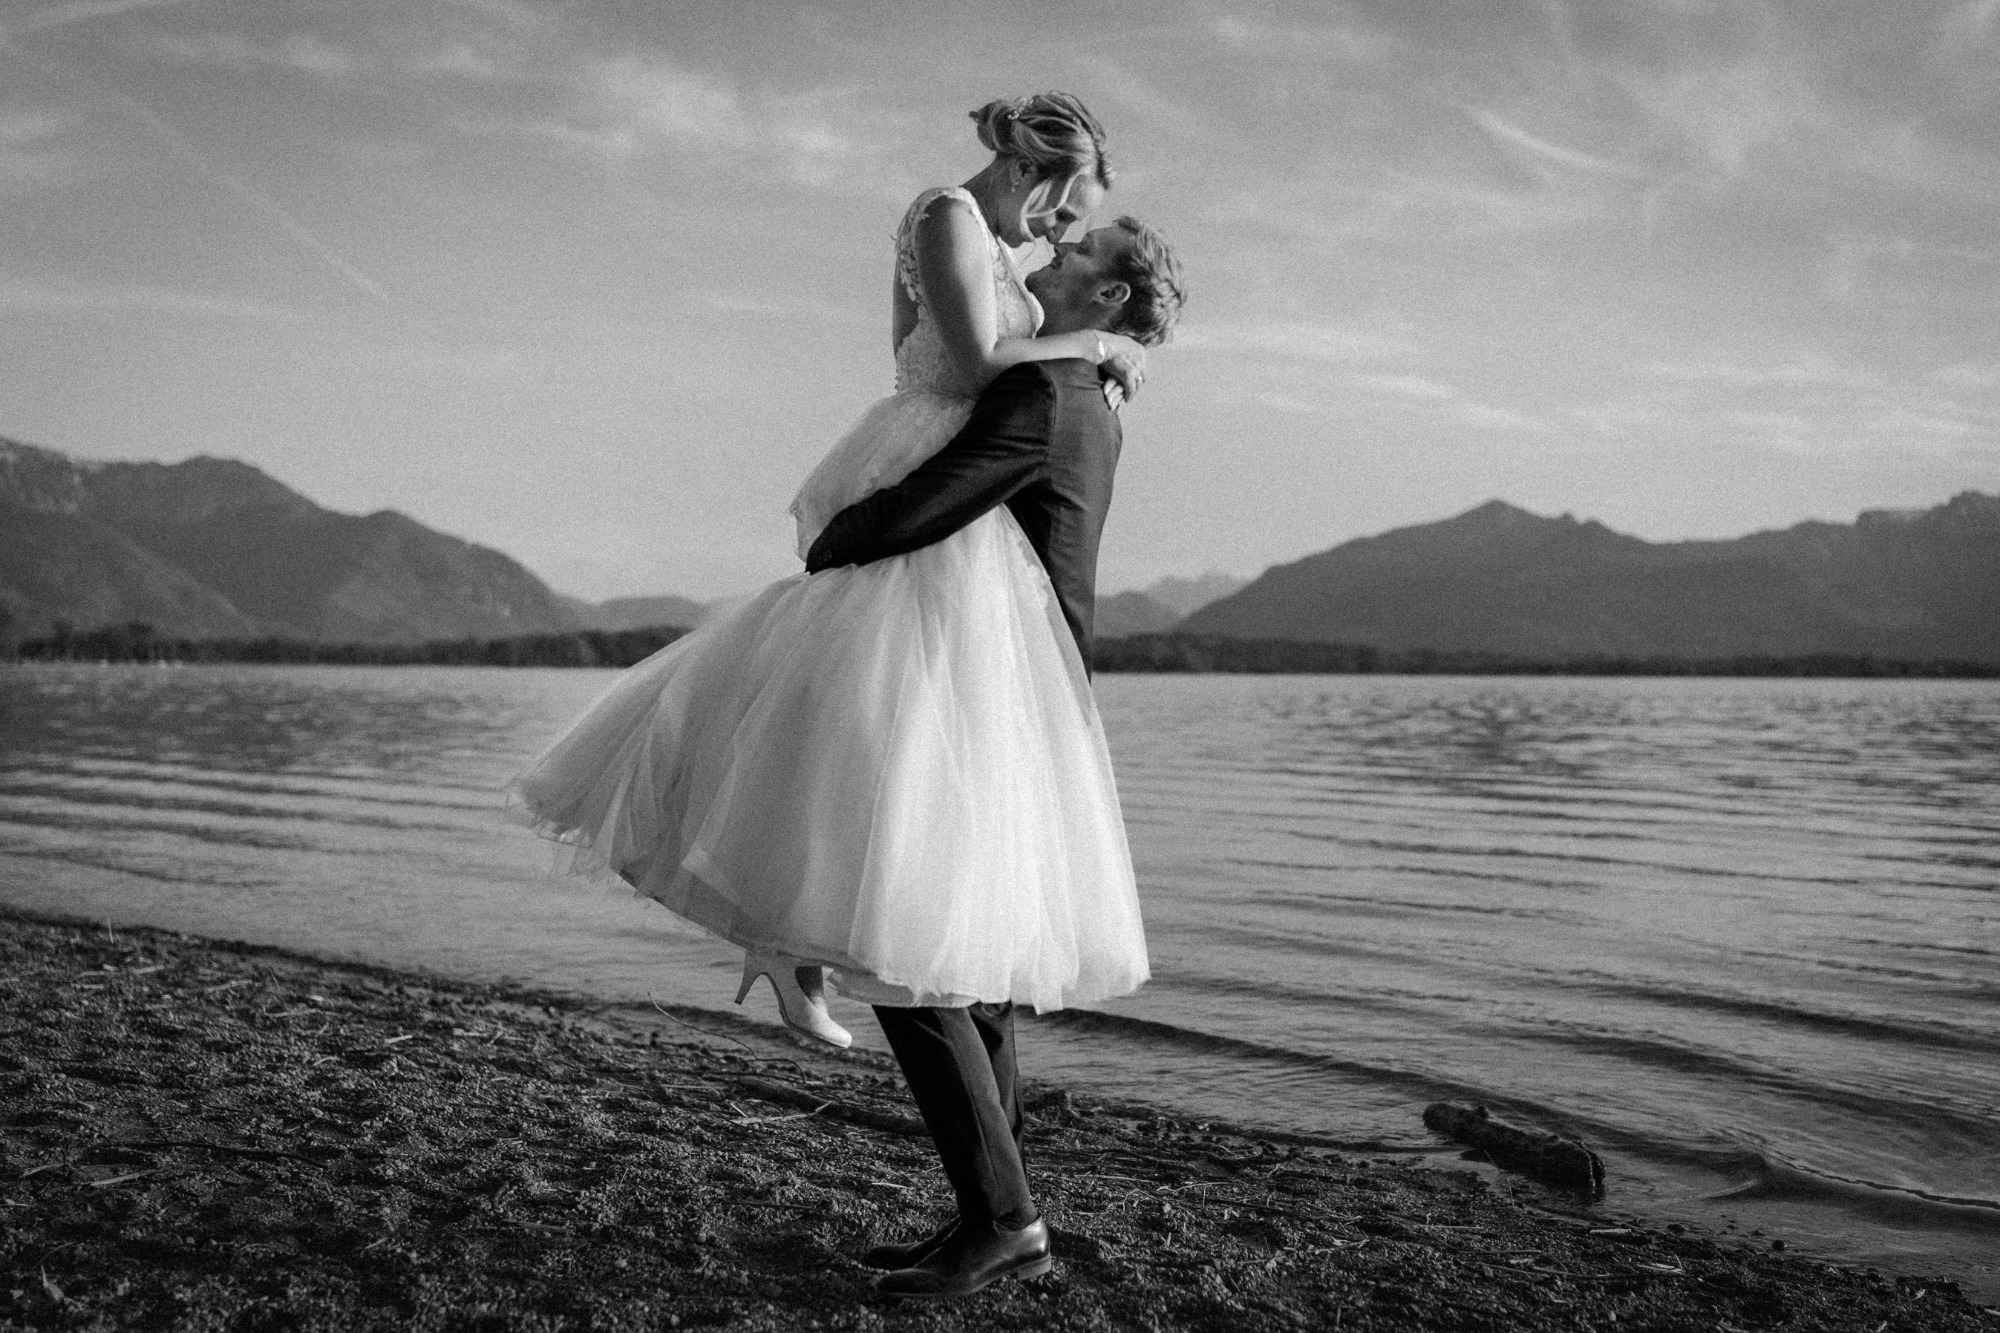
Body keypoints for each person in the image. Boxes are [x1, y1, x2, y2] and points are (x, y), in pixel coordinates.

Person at [807, 213, 1185, 1298]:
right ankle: (996, 1214)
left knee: (911, 952)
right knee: (966, 966)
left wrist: (833, 538)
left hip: (989, 691)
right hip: (1024, 690)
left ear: (1108, 297)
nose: (1052, 255)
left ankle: (1005, 1218)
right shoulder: (1090, 391)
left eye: (1078, 253)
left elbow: (933, 503)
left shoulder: (1047, 392)